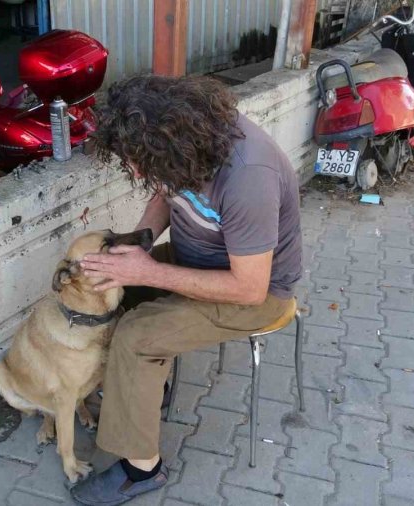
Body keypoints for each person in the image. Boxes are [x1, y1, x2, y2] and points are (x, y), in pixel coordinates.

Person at [70, 74, 303, 505]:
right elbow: (164, 193)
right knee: (107, 286)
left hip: (256, 293)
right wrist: (138, 243)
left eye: (141, 161)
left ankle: (142, 471)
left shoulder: (248, 176)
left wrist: (150, 273)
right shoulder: (187, 142)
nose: (138, 171)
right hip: (199, 260)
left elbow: (249, 289)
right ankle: (141, 393)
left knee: (137, 336)